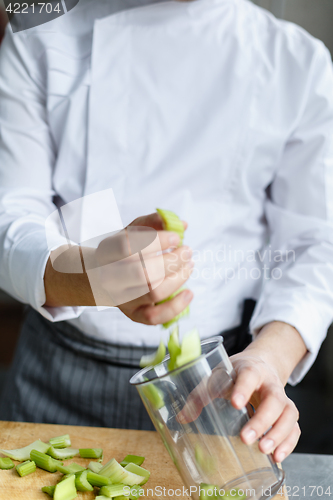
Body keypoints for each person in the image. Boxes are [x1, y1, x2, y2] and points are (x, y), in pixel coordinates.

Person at [0, 0, 332, 466]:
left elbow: (315, 246)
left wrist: (270, 359)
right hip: (55, 377)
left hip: (219, 386)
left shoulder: (296, 61)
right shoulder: (38, 32)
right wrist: (82, 276)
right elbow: (10, 211)